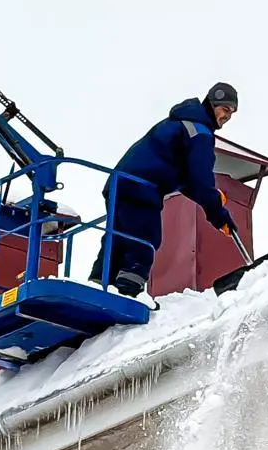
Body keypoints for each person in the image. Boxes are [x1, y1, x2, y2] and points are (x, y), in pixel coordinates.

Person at [89, 83, 241, 299]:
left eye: (232, 113)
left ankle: (98, 285)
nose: (228, 116)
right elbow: (200, 179)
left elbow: (186, 181)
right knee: (145, 238)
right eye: (225, 109)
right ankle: (128, 293)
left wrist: (214, 208)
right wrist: (218, 211)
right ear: (212, 103)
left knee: (118, 237)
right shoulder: (200, 133)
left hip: (119, 183)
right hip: (142, 186)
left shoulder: (179, 123)